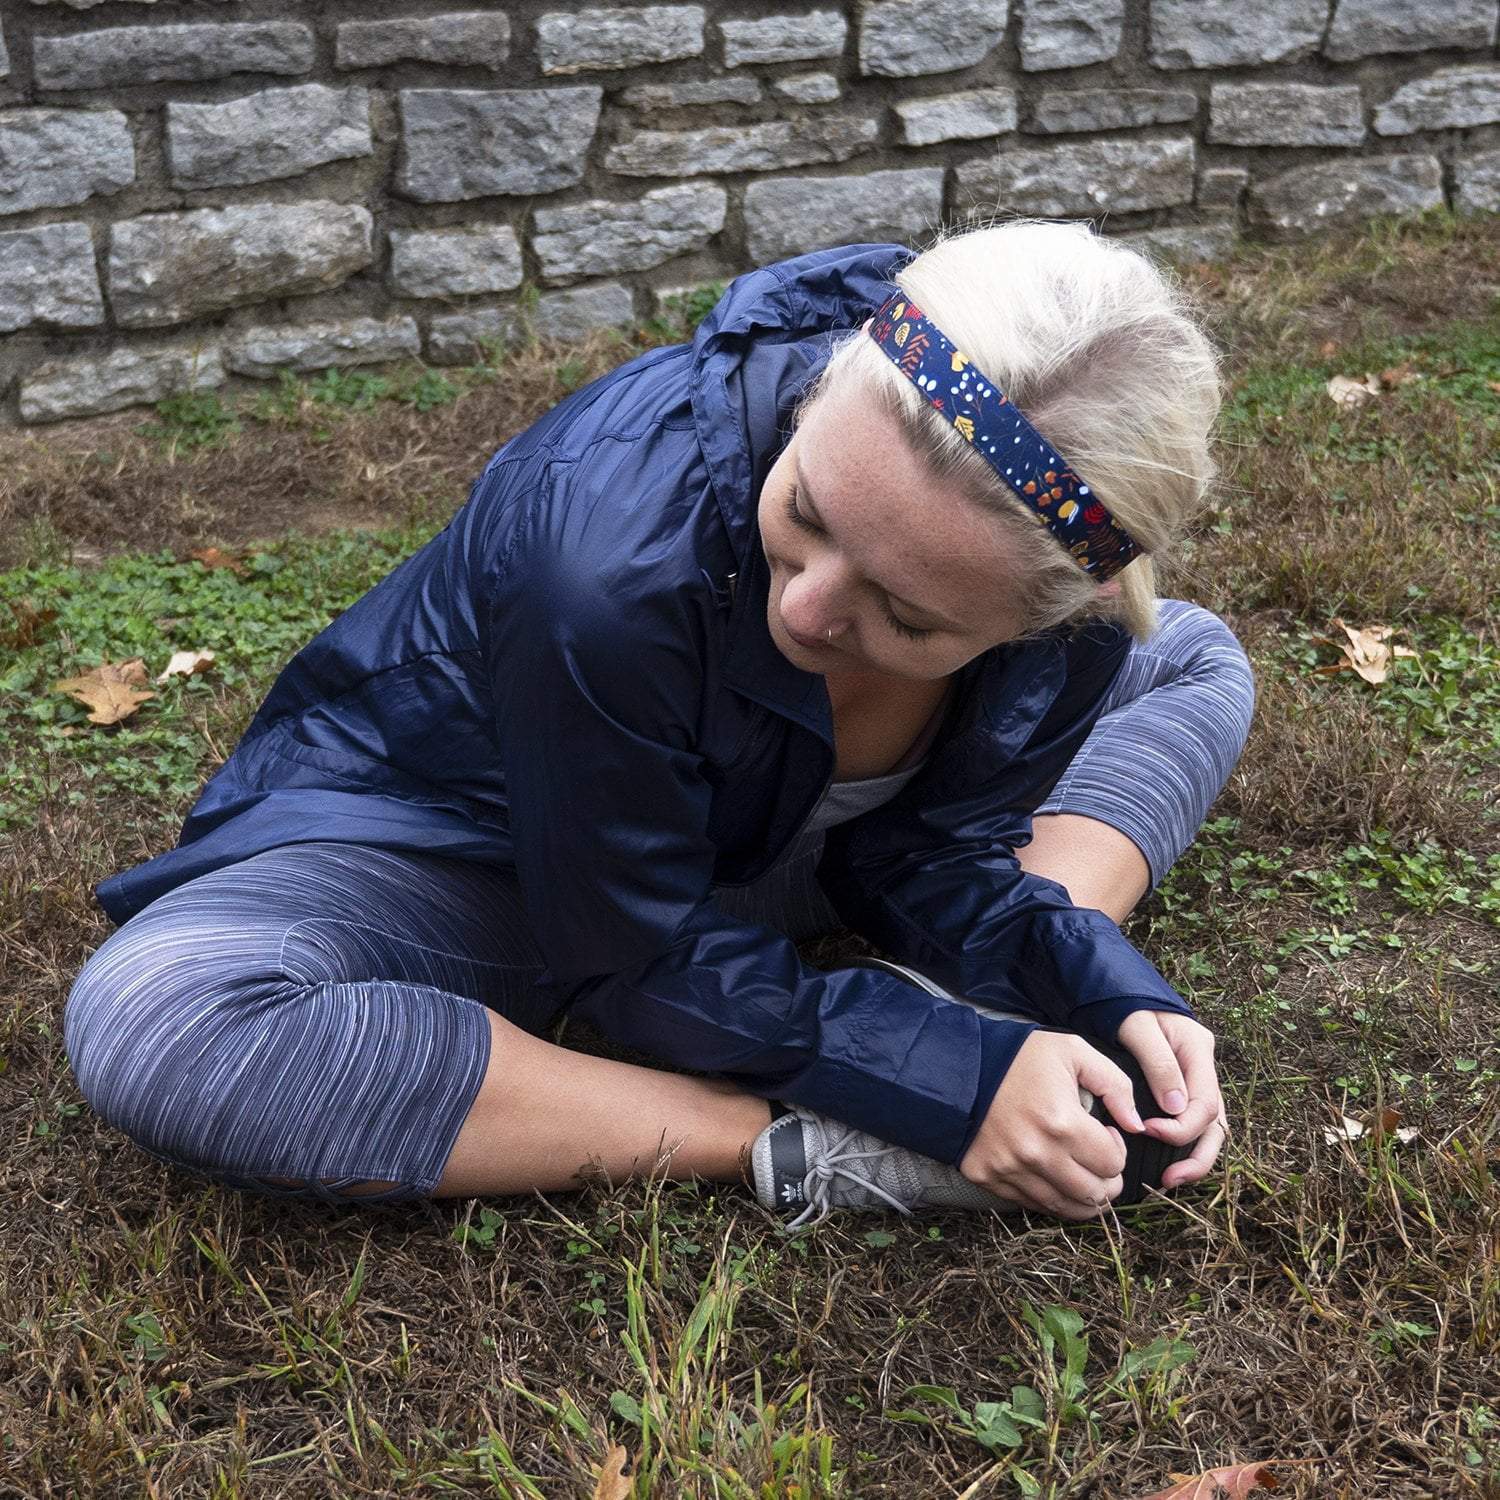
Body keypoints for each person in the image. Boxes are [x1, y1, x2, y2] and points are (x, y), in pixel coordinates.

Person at [62, 218, 1255, 1225]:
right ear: (836, 373)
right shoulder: (604, 557)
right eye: (806, 510)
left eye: (907, 613)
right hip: (496, 852)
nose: (808, 606)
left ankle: (1001, 1049)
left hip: (771, 855)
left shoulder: (1082, 612)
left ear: (1062, 606)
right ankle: (796, 1132)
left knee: (1190, 652)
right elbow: (633, 949)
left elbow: (937, 849)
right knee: (162, 1018)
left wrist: (1107, 991)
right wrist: (937, 1079)